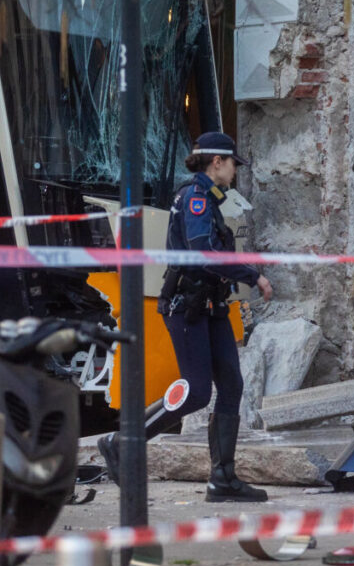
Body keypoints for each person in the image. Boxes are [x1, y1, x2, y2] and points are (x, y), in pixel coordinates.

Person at [99, 131, 273, 502]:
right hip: (188, 307)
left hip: (212, 306)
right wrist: (251, 275)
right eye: (232, 163)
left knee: (232, 385)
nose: (235, 171)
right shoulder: (195, 198)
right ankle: (123, 441)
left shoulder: (208, 199)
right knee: (196, 391)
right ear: (217, 162)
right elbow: (202, 251)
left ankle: (222, 479)